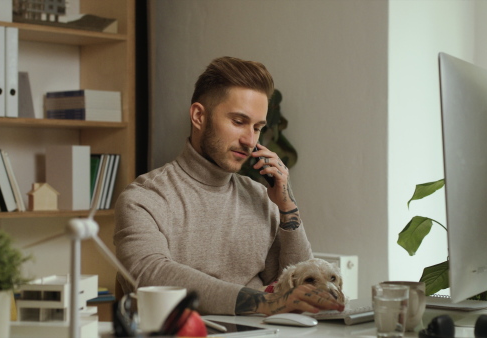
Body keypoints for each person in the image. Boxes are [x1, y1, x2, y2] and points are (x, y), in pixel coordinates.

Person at [114, 56, 344, 315]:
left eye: (257, 128)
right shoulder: (145, 197)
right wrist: (264, 302)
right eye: (238, 122)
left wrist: (288, 208)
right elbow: (150, 274)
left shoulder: (260, 196)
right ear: (199, 116)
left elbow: (298, 288)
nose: (249, 140)